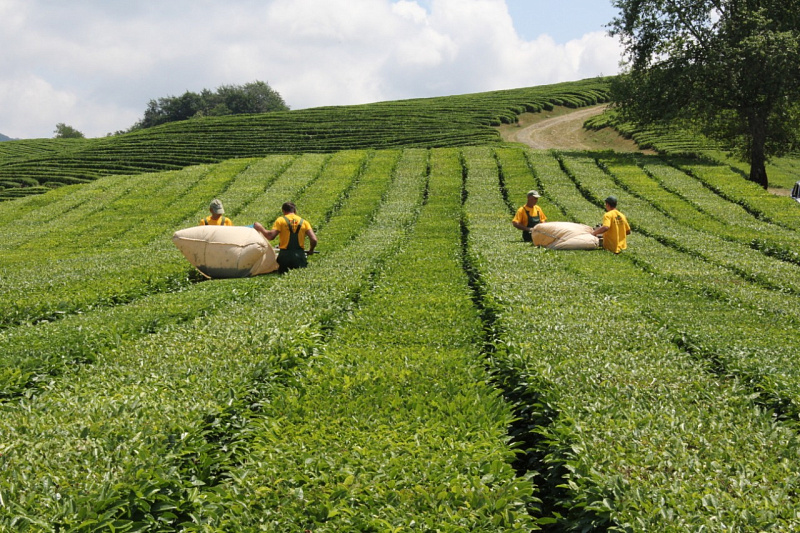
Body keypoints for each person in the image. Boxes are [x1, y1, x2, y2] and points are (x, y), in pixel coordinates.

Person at [254, 202, 317, 273]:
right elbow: (314, 239)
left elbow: (270, 236)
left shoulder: (281, 220)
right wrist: (311, 250)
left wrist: (260, 228)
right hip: (299, 257)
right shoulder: (304, 222)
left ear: (283, 211)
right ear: (295, 211)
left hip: (285, 257)